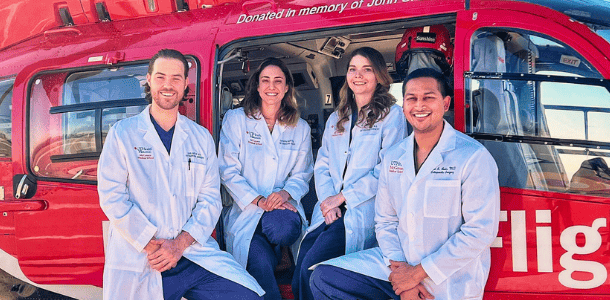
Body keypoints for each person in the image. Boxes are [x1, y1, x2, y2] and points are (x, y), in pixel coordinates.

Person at [310, 68, 501, 300]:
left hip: (447, 276)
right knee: (324, 278)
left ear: (446, 103)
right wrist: (403, 276)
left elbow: (480, 231)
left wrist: (418, 273)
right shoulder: (393, 157)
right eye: (411, 98)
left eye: (428, 97)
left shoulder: (472, 157)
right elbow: (385, 221)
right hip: (397, 264)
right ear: (404, 106)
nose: (419, 106)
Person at [98, 49, 263, 300]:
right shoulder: (123, 134)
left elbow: (210, 199)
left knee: (250, 296)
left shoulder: (200, 137)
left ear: (186, 84)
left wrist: (179, 244)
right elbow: (112, 196)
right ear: (149, 80)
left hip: (191, 254)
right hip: (143, 256)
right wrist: (150, 242)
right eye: (161, 77)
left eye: (176, 78)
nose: (168, 85)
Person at [293, 47, 408, 300]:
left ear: (378, 75)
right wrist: (327, 201)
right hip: (330, 210)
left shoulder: (392, 116)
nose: (359, 75)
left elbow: (386, 170)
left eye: (367, 69)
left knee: (314, 268)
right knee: (301, 267)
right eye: (353, 69)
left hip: (360, 209)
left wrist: (343, 198)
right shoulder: (337, 117)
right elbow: (322, 163)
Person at [219, 58, 313, 300]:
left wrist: (284, 194)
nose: (271, 86)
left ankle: (282, 249)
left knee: (282, 227)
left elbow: (303, 173)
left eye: (278, 81)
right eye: (266, 81)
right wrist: (259, 200)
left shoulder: (300, 127)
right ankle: (276, 255)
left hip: (282, 208)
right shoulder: (236, 119)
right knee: (258, 264)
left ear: (286, 88)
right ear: (258, 87)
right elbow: (227, 170)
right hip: (247, 209)